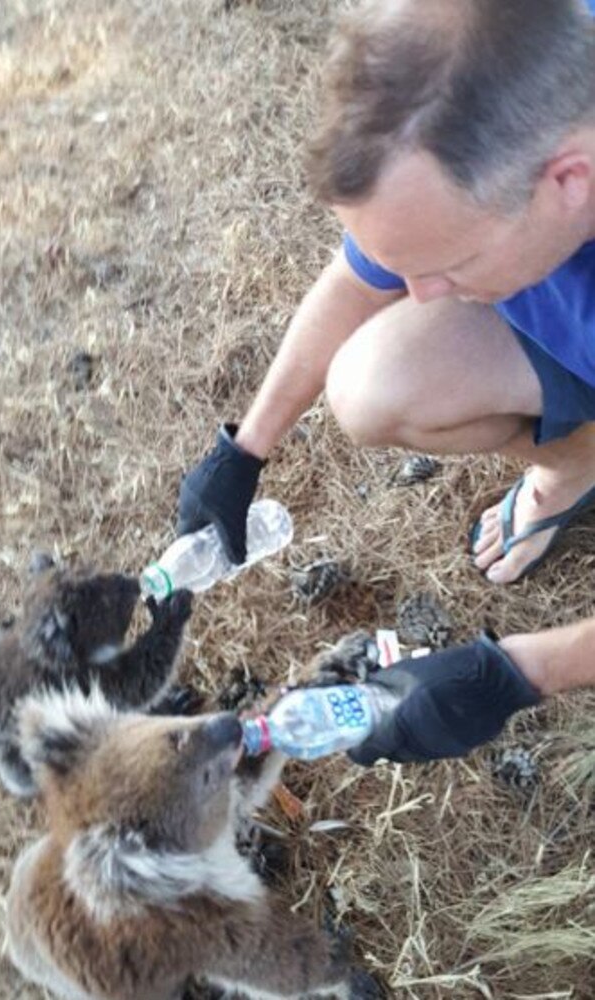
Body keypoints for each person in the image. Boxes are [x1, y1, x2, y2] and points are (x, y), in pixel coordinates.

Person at [176, 0, 595, 764]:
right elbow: (352, 285)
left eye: (445, 263)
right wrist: (244, 447)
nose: (413, 290)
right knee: (376, 381)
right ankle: (577, 468)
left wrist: (525, 671)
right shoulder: (500, 71)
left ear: (570, 179)